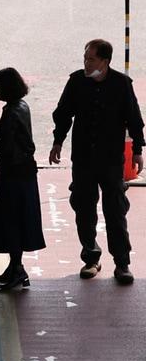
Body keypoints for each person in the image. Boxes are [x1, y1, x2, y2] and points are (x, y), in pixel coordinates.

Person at [49, 38, 145, 284]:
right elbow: (63, 114)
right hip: (83, 158)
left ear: (105, 61)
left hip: (111, 160)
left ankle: (122, 263)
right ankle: (91, 257)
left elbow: (134, 117)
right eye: (85, 58)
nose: (86, 63)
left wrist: (137, 149)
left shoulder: (122, 85)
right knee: (83, 207)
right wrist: (58, 141)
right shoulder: (76, 82)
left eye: (91, 59)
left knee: (115, 210)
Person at [0, 68, 47, 291]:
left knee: (10, 221)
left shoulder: (11, 112)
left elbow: (1, 148)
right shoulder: (21, 107)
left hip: (13, 175)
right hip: (24, 173)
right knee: (19, 219)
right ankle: (15, 266)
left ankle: (17, 269)